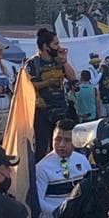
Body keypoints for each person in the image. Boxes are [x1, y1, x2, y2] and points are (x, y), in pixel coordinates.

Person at [27, 28, 76, 159]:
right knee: (42, 147)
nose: (59, 47)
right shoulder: (33, 63)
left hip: (61, 109)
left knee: (63, 144)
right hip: (42, 111)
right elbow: (29, 86)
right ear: (45, 46)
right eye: (55, 44)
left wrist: (64, 61)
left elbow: (72, 78)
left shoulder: (58, 60)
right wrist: (47, 82)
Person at [35, 118, 90, 218]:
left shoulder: (82, 160)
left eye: (67, 140)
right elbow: (37, 199)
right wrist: (60, 212)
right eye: (58, 139)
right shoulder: (42, 167)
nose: (61, 144)